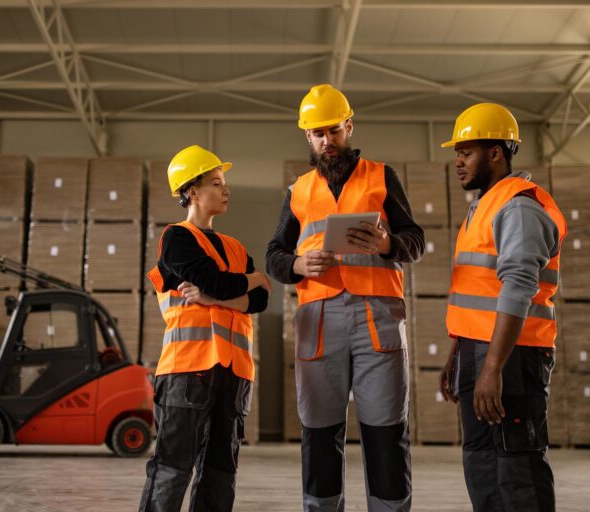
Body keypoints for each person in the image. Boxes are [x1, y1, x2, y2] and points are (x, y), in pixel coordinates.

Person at [266, 83, 424, 512]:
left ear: (349, 127)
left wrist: (387, 243)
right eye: (317, 133)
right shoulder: (297, 190)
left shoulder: (380, 176)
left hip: (378, 322)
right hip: (319, 325)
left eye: (333, 131)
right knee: (318, 431)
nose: (326, 141)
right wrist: (297, 266)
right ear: (307, 137)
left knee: (386, 431)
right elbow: (273, 256)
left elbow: (416, 241)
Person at [438, 103, 567, 512]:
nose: (458, 162)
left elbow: (518, 288)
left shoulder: (518, 207)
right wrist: (458, 356)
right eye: (457, 153)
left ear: (497, 153)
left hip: (512, 356)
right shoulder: (486, 206)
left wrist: (492, 367)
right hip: (480, 352)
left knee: (517, 464)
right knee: (482, 462)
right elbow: (476, 293)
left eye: (468, 152)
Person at [139, 144, 271, 512]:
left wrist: (216, 298)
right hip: (187, 371)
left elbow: (260, 301)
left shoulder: (235, 247)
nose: (226, 190)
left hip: (234, 373)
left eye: (225, 183)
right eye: (217, 183)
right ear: (193, 192)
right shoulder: (177, 239)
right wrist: (254, 279)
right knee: (172, 466)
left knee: (220, 470)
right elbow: (217, 281)